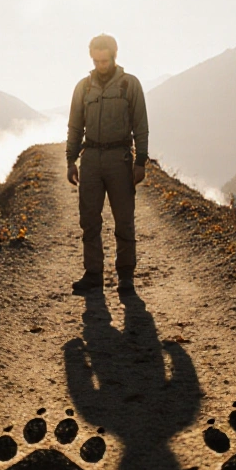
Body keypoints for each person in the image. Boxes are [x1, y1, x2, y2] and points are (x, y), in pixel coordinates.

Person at [66, 34, 149, 294]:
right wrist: (71, 160)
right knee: (89, 220)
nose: (101, 65)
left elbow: (141, 126)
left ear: (114, 56)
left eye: (105, 60)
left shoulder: (129, 85)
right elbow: (75, 126)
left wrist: (141, 162)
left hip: (119, 159)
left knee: (124, 220)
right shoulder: (83, 87)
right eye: (96, 60)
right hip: (90, 159)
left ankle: (126, 277)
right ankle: (93, 275)